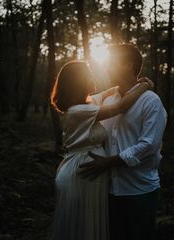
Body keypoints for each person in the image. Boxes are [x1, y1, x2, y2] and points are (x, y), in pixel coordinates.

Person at [49, 60, 154, 240]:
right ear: (78, 82)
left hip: (88, 173)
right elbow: (121, 107)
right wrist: (144, 86)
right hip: (82, 174)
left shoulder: (88, 103)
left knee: (87, 227)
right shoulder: (79, 110)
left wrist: (128, 85)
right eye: (88, 75)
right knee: (83, 229)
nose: (93, 77)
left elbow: (109, 92)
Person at [79, 44, 168, 240]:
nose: (106, 69)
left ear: (128, 65)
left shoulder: (150, 101)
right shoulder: (108, 103)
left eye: (111, 64)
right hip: (109, 192)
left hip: (139, 191)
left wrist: (108, 162)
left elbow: (149, 146)